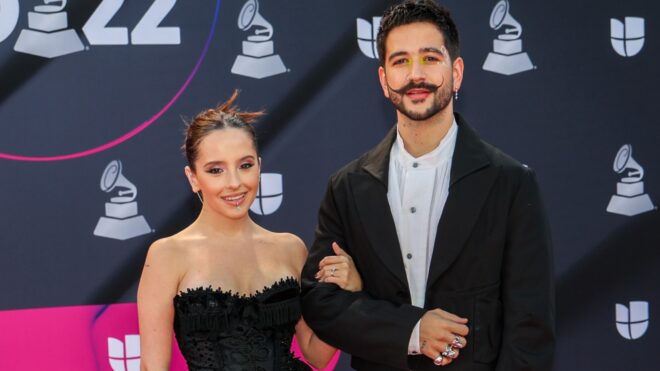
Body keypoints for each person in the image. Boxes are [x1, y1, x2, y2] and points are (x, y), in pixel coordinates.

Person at [301, 1, 555, 370]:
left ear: (457, 72)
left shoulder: (510, 183)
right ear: (384, 79)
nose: (415, 75)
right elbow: (322, 304)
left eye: (429, 58)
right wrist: (412, 330)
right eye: (400, 61)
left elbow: (530, 329)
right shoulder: (348, 187)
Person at [137, 90, 363, 371]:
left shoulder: (290, 248)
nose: (234, 183)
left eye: (244, 165)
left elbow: (317, 355)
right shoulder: (167, 255)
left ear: (259, 166)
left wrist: (348, 296)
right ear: (193, 178)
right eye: (215, 170)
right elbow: (152, 366)